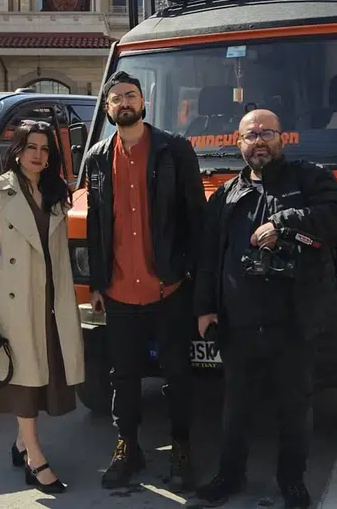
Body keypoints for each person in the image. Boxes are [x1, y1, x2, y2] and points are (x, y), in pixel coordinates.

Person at [193, 109, 337, 509]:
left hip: (294, 319)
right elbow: (209, 257)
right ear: (239, 143)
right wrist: (205, 308)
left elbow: (336, 218)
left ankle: (292, 481)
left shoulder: (310, 179)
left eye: (267, 133)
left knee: (294, 406)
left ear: (283, 138)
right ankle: (229, 476)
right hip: (239, 322)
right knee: (236, 406)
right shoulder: (226, 195)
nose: (259, 141)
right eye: (251, 135)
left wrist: (283, 223)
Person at [83, 70, 207, 490]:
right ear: (107, 108)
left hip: (168, 286)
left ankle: (181, 447)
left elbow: (196, 217)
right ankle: (127, 446)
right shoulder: (98, 157)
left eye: (130, 95)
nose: (124, 103)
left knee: (177, 373)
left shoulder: (174, 150)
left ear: (144, 101)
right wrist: (97, 283)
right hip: (118, 290)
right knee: (124, 375)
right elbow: (96, 224)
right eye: (116, 98)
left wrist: (190, 274)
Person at [0, 120, 85, 495]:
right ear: (17, 150)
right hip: (13, 300)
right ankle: (36, 458)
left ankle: (21, 444)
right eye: (31, 147)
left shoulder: (56, 190)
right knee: (22, 379)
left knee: (42, 375)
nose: (38, 155)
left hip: (51, 297)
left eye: (44, 148)